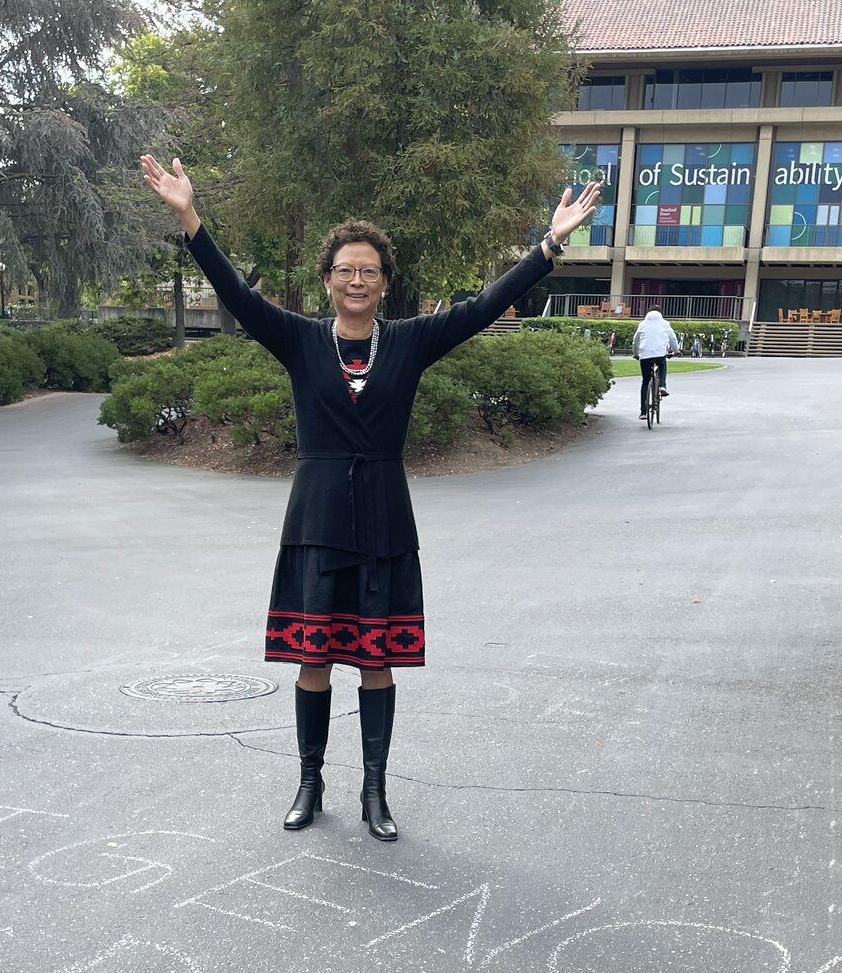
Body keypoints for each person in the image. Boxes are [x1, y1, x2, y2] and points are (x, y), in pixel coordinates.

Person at [140, 153, 602, 842]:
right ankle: (308, 782)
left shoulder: (411, 344)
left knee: (377, 661)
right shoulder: (297, 340)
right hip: (318, 519)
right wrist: (189, 218)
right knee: (315, 658)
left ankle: (376, 793)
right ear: (326, 280)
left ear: (385, 284)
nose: (357, 280)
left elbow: (480, 308)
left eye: (370, 270)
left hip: (385, 516)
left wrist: (548, 245)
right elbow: (237, 295)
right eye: (345, 269)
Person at [634, 307, 678, 419]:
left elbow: (636, 339)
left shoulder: (642, 324)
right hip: (659, 353)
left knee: (645, 381)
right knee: (662, 364)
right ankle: (662, 385)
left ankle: (643, 412)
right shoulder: (664, 324)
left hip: (644, 355)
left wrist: (636, 353)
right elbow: (672, 338)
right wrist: (676, 351)